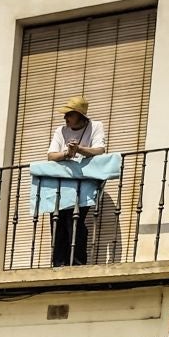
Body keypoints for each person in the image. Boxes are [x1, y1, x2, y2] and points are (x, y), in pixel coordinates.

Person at [45, 96, 107, 266]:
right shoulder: (61, 130)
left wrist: (79, 149)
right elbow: (51, 156)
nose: (65, 118)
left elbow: (100, 150)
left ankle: (77, 262)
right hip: (62, 184)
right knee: (57, 220)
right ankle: (59, 263)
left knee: (75, 220)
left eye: (69, 115)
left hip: (84, 183)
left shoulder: (96, 126)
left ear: (80, 115)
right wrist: (67, 153)